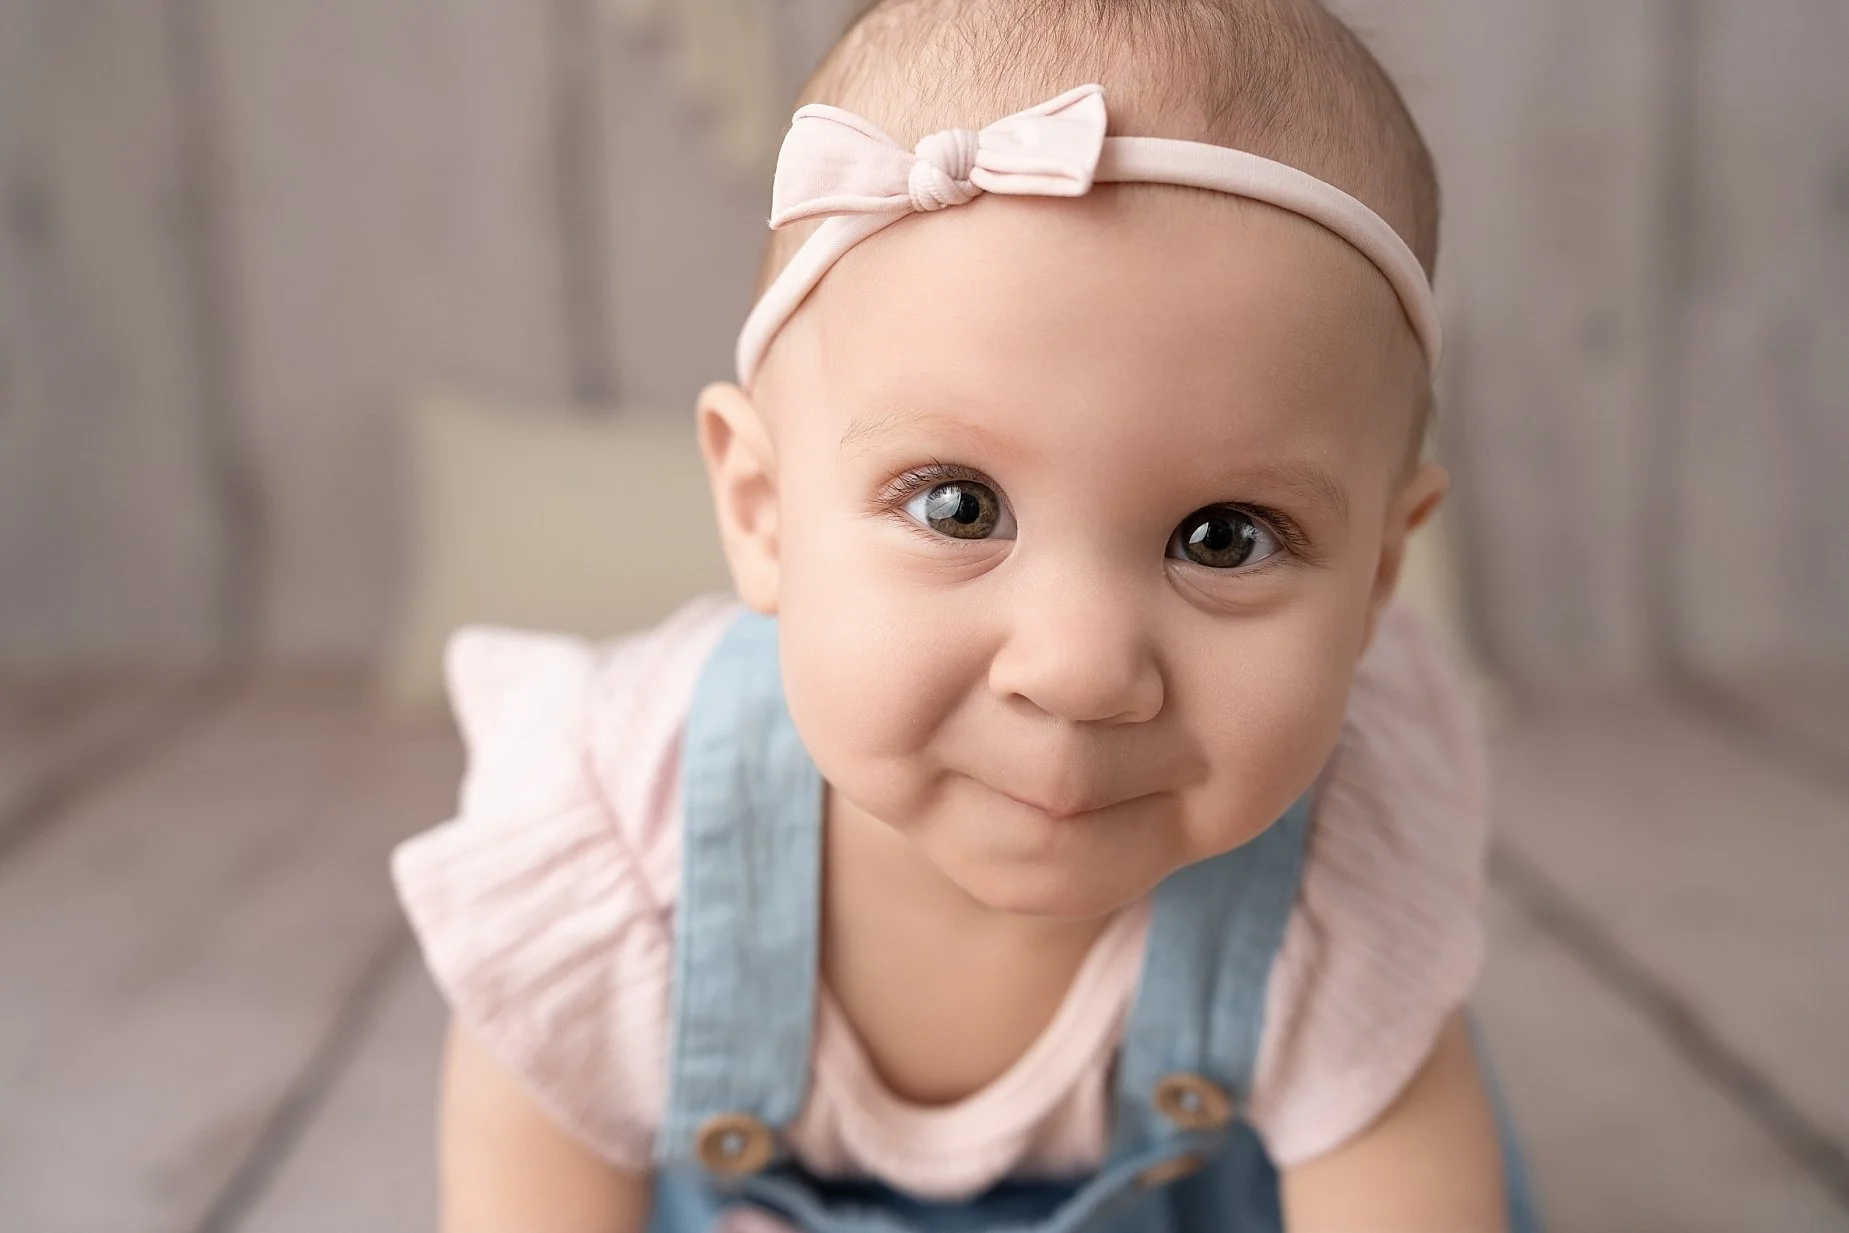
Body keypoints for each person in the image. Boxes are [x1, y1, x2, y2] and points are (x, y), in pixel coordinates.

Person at [393, 1, 1543, 1228]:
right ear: (764, 508)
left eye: (1224, 537)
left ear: (1375, 579)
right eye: (957, 506)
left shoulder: (1337, 878)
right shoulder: (626, 839)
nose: (1079, 669)